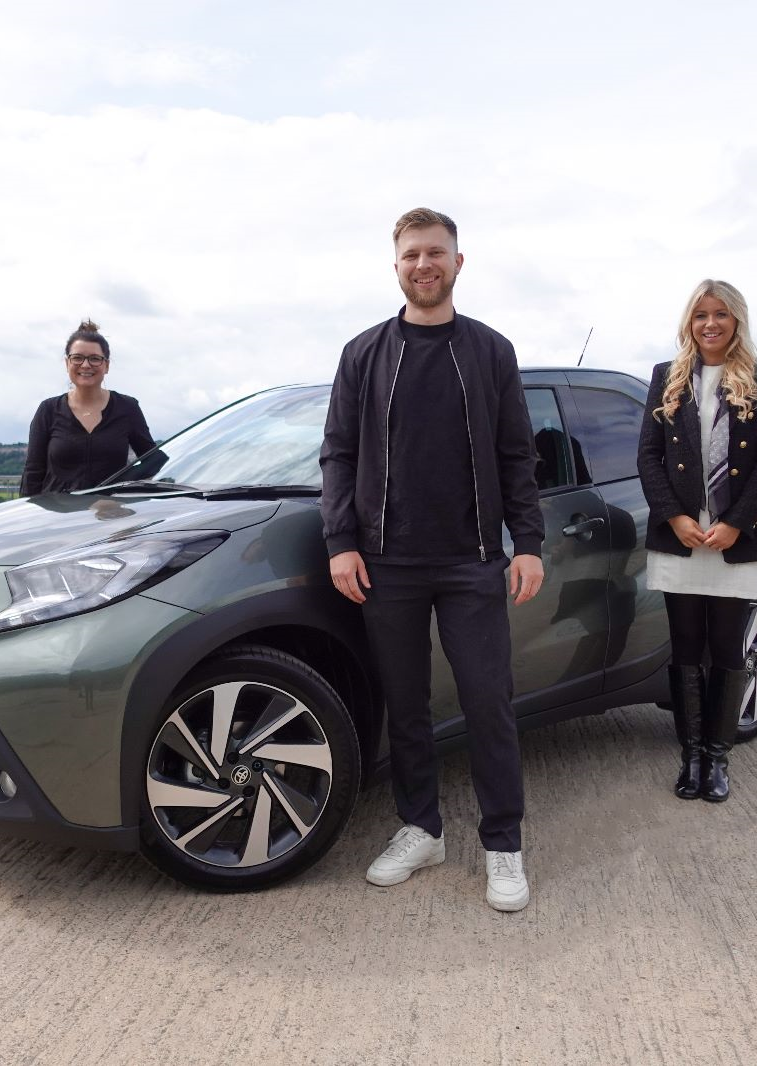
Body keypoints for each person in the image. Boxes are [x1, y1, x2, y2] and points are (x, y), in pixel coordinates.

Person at [320, 208, 545, 912]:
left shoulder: (489, 352)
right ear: (397, 266)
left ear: (457, 262)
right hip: (386, 564)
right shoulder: (363, 354)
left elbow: (517, 455)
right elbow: (338, 454)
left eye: (436, 253)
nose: (425, 264)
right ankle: (421, 828)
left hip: (472, 560)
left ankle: (502, 845)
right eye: (412, 254)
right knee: (406, 707)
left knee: (488, 704)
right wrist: (341, 541)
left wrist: (528, 543)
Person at [636, 280, 757, 803]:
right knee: (685, 648)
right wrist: (675, 517)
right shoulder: (667, 377)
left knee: (726, 647)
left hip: (734, 537)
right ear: (689, 321)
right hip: (683, 535)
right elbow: (649, 458)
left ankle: (717, 759)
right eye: (701, 314)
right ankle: (690, 756)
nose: (711, 323)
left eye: (721, 313)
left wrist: (737, 523)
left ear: (736, 320)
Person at [20, 320, 156, 496]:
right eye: (77, 358)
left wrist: (126, 490)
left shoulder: (127, 408)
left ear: (106, 365)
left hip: (110, 518)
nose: (85, 365)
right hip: (57, 518)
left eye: (94, 359)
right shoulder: (48, 410)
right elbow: (33, 472)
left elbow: (153, 462)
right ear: (67, 363)